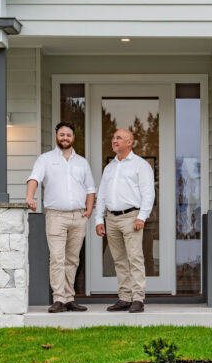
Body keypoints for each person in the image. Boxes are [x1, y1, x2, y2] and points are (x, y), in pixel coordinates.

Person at [26, 121, 95, 313]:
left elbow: (90, 188)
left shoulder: (82, 162)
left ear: (74, 138)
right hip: (56, 216)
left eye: (69, 135)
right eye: (62, 134)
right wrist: (30, 196)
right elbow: (34, 179)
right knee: (57, 258)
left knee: (72, 259)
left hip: (78, 217)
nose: (65, 138)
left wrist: (88, 211)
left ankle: (69, 298)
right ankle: (58, 299)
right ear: (57, 136)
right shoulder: (45, 159)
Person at [95, 128, 155, 313]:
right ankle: (124, 298)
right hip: (111, 218)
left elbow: (148, 193)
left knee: (135, 258)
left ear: (130, 142)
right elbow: (102, 195)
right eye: (113, 138)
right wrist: (99, 219)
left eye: (118, 138)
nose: (114, 140)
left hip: (131, 217)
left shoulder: (140, 165)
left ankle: (138, 298)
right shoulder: (110, 167)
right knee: (119, 260)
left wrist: (141, 217)